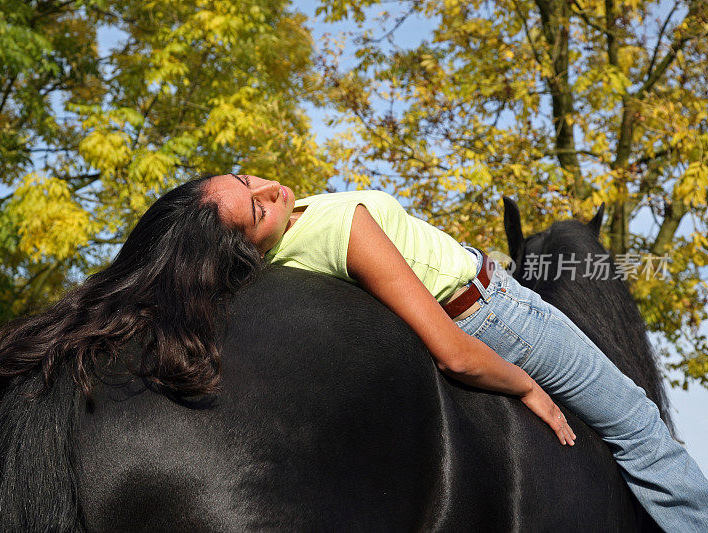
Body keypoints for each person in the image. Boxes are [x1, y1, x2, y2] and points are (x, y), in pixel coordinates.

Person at [203, 172, 708, 532]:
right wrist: (524, 383)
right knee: (640, 426)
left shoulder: (288, 242)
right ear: (247, 246)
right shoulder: (339, 229)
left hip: (490, 302)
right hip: (497, 312)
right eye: (257, 208)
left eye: (246, 179)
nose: (269, 189)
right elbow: (456, 356)